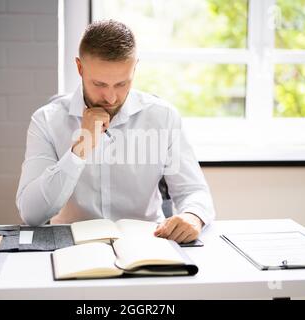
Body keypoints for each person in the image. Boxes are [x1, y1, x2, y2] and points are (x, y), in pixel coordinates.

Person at [16, 20, 215, 243]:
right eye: (99, 84)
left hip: (148, 245)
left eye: (121, 84)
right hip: (70, 245)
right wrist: (78, 150)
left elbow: (194, 191)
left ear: (135, 68)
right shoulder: (46, 120)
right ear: (80, 68)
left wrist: (193, 216)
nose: (110, 98)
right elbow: (31, 213)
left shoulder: (163, 117)